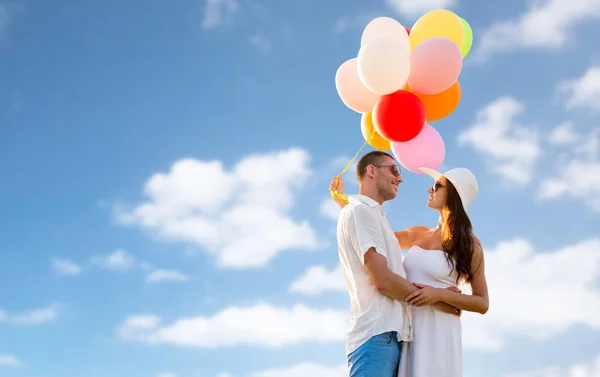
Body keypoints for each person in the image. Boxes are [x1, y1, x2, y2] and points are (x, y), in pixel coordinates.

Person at [331, 161, 490, 377]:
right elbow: (372, 230)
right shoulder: (417, 233)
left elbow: (482, 302)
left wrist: (439, 295)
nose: (429, 189)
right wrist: (343, 201)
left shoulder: (470, 245)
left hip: (440, 329)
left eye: (436, 186)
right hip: (408, 327)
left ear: (454, 194)